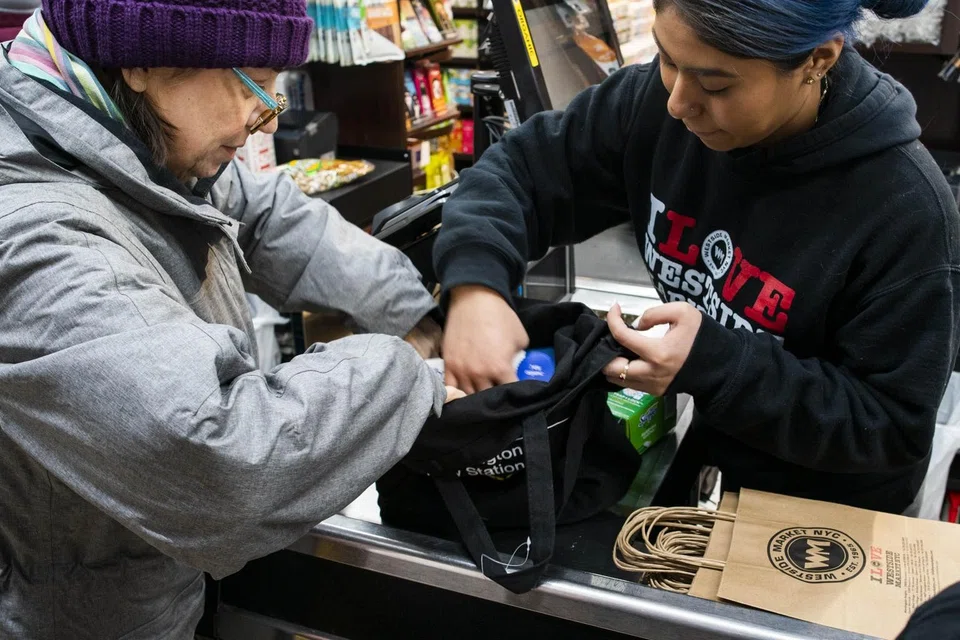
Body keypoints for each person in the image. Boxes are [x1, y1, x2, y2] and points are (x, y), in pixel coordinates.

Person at [0, 0, 463, 638]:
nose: (264, 119)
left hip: (160, 578)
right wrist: (409, 374)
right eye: (254, 87)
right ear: (141, 61)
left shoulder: (124, 133)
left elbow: (270, 217)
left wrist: (417, 312)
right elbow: (222, 457)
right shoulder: (38, 235)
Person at [435, 0, 960, 514]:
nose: (678, 103)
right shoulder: (651, 104)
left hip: (827, 514)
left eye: (716, 85)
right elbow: (522, 173)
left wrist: (717, 364)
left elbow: (891, 427)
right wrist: (477, 287)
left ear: (817, 60)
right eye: (667, 58)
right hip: (720, 455)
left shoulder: (904, 208)